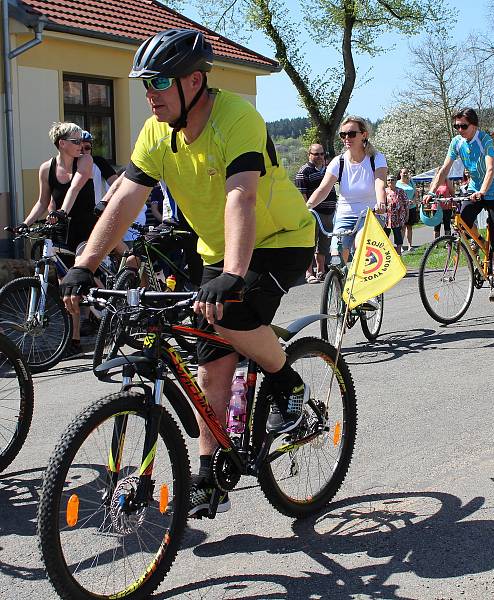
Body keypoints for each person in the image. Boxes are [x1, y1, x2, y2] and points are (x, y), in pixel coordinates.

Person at [58, 28, 315, 518]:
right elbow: (124, 201)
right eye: (144, 83)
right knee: (209, 362)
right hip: (220, 248)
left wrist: (233, 273)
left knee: (231, 317)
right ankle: (207, 474)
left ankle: (286, 381)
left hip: (279, 238)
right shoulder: (157, 131)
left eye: (158, 81)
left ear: (194, 81)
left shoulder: (237, 117)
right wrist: (85, 264)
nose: (149, 93)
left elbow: (241, 194)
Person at [18, 122, 99, 356]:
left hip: (85, 227)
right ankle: (74, 339)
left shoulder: (84, 161)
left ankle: (109, 310)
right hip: (62, 230)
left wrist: (61, 212)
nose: (81, 145)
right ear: (62, 144)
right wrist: (26, 223)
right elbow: (42, 202)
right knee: (66, 286)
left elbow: (74, 188)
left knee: (85, 270)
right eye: (76, 141)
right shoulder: (47, 168)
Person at [426, 107, 494, 302]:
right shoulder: (457, 142)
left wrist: (483, 191)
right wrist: (431, 192)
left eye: (463, 126)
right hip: (474, 190)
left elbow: (490, 169)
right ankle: (478, 240)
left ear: (474, 125)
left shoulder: (485, 140)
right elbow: (444, 169)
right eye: (457, 126)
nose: (459, 130)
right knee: (462, 223)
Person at [306, 116, 388, 264]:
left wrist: (381, 202)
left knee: (360, 244)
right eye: (343, 135)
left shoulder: (376, 158)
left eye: (351, 134)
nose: (346, 138)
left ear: (364, 135)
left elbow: (379, 182)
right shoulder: (339, 162)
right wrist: (307, 207)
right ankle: (339, 283)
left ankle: (362, 283)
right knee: (337, 255)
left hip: (370, 213)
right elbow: (323, 189)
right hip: (344, 215)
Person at [296, 143, 337, 282]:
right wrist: (307, 212)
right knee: (310, 243)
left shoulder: (328, 170)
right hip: (313, 213)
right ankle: (309, 273)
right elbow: (302, 196)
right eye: (316, 154)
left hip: (329, 212)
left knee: (324, 244)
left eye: (321, 154)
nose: (319, 157)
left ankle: (321, 271)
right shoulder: (304, 171)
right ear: (309, 155)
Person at [383, 174, 409, 254]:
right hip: (387, 218)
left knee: (398, 235)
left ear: (395, 181)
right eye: (389, 180)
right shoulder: (384, 191)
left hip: (398, 217)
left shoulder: (400, 191)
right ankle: (385, 252)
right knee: (385, 235)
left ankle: (398, 252)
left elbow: (406, 203)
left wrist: (407, 215)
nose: (391, 181)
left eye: (392, 179)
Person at [396, 168, 417, 251]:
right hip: (402, 208)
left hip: (411, 207)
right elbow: (396, 195)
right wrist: (404, 202)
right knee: (402, 227)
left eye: (406, 173)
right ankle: (400, 246)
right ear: (400, 174)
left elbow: (415, 193)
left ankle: (410, 245)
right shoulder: (397, 183)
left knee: (410, 227)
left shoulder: (411, 182)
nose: (405, 174)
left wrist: (413, 200)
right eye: (404, 173)